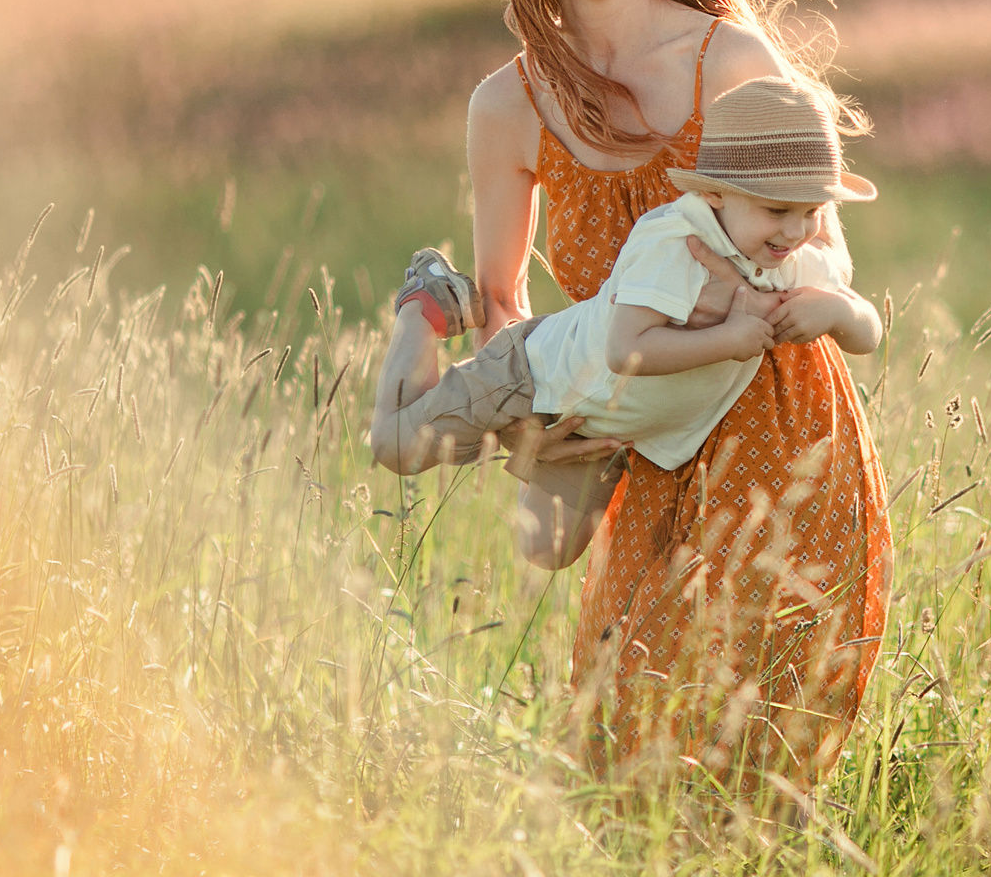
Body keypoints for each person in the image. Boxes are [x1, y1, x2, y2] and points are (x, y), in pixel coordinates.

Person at [373, 0, 892, 793]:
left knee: (769, 734)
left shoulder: (732, 61)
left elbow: (824, 247)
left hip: (779, 425)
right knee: (630, 739)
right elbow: (506, 303)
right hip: (636, 440)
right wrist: (546, 426)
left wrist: (778, 311)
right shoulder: (507, 107)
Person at [370, 75, 882, 572]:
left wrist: (839, 311)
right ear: (718, 194)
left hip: (610, 422)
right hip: (533, 372)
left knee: (544, 548)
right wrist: (728, 339)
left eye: (813, 210)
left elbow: (868, 329)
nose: (797, 230)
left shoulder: (794, 255)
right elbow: (624, 349)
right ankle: (424, 305)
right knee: (397, 446)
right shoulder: (672, 242)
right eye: (778, 210)